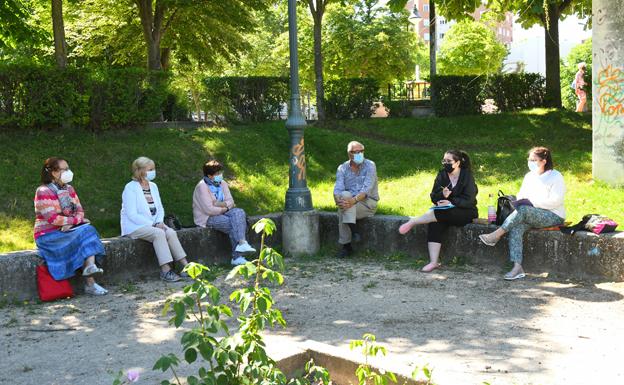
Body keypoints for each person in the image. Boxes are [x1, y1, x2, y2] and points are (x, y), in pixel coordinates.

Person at [479, 147, 565, 280]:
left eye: (533, 160)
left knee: (524, 210)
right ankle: (517, 267)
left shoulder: (555, 176)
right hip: (530, 214)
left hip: (552, 215)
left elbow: (556, 200)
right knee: (516, 227)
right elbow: (521, 194)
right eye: (529, 159)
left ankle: (496, 235)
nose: (530, 162)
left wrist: (532, 203)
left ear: (543, 161)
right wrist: (521, 201)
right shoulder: (529, 176)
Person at [34, 157, 108, 296]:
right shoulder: (43, 191)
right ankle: (90, 281)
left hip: (69, 231)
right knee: (85, 231)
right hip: (49, 235)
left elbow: (80, 211)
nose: (69, 172)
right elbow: (52, 218)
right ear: (55, 173)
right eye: (65, 169)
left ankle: (90, 267)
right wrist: (73, 221)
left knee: (88, 229)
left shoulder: (69, 189)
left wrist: (71, 222)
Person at [399, 150, 478, 272]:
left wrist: (452, 202)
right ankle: (433, 262)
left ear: (457, 163)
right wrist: (442, 195)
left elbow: (470, 200)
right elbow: (433, 196)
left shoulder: (466, 176)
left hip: (465, 212)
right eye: (444, 161)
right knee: (435, 223)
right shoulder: (442, 175)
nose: (445, 163)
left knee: (442, 213)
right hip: (445, 211)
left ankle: (414, 221)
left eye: (449, 161)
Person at [121, 157, 189, 282]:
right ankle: (165, 270)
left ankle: (186, 266)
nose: (153, 172)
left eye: (154, 169)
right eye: (150, 169)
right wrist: (153, 224)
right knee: (159, 233)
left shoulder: (153, 186)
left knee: (170, 232)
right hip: (135, 226)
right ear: (140, 171)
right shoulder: (130, 188)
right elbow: (132, 214)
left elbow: (160, 207)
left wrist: (159, 221)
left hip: (154, 224)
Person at [192, 159, 256, 266]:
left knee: (239, 212)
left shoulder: (223, 183)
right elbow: (209, 209)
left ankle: (242, 243)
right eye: (217, 173)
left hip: (223, 212)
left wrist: (219, 204)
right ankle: (237, 257)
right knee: (236, 224)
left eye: (220, 172)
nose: (220, 175)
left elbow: (231, 201)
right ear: (209, 175)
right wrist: (225, 207)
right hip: (207, 217)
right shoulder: (202, 187)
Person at [333, 141, 379, 257]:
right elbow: (338, 188)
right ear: (349, 154)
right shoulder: (342, 168)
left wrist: (352, 201)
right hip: (349, 202)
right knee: (344, 196)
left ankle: (346, 246)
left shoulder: (370, 165)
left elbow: (366, 189)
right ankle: (353, 234)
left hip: (367, 203)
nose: (359, 154)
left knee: (343, 209)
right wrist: (338, 199)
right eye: (355, 152)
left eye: (361, 151)